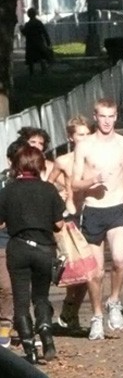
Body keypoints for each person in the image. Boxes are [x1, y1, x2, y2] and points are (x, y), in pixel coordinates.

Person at [72, 98, 123, 340]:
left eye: (111, 116)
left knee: (120, 260)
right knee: (96, 271)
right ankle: (97, 317)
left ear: (116, 117)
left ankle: (114, 300)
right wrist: (92, 181)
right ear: (95, 116)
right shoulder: (85, 146)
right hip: (93, 210)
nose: (107, 121)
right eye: (103, 116)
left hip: (117, 208)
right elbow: (75, 182)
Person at [0, 145, 65, 363]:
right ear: (40, 164)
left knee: (20, 300)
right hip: (43, 249)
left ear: (16, 165)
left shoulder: (7, 190)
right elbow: (58, 223)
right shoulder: (48, 189)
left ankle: (29, 349)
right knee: (41, 296)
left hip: (17, 247)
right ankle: (46, 334)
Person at [47, 116, 93, 330]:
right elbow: (48, 184)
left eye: (87, 134)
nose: (84, 139)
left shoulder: (94, 158)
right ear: (71, 137)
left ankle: (71, 310)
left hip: (92, 213)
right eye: (79, 135)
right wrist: (60, 192)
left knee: (91, 269)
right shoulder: (63, 161)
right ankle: (70, 306)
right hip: (71, 216)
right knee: (75, 268)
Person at [0, 140, 26, 349]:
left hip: (26, 240)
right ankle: (4, 324)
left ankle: (23, 323)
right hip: (3, 240)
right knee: (5, 286)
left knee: (23, 287)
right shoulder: (2, 183)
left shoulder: (35, 183)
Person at [20, 8, 52, 76]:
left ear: (29, 15)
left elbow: (25, 33)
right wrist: (48, 42)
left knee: (31, 59)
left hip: (30, 43)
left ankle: (31, 73)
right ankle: (44, 70)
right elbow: (44, 32)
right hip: (39, 42)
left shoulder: (28, 24)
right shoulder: (38, 23)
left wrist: (21, 29)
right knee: (41, 57)